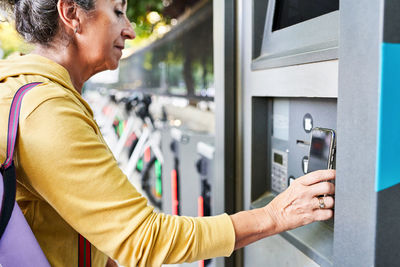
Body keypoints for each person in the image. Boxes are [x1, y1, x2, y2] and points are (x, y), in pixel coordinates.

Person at [0, 0, 336, 266]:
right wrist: (273, 215)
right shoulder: (46, 109)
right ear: (71, 13)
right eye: (118, 11)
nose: (129, 30)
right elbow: (143, 240)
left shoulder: (22, 90)